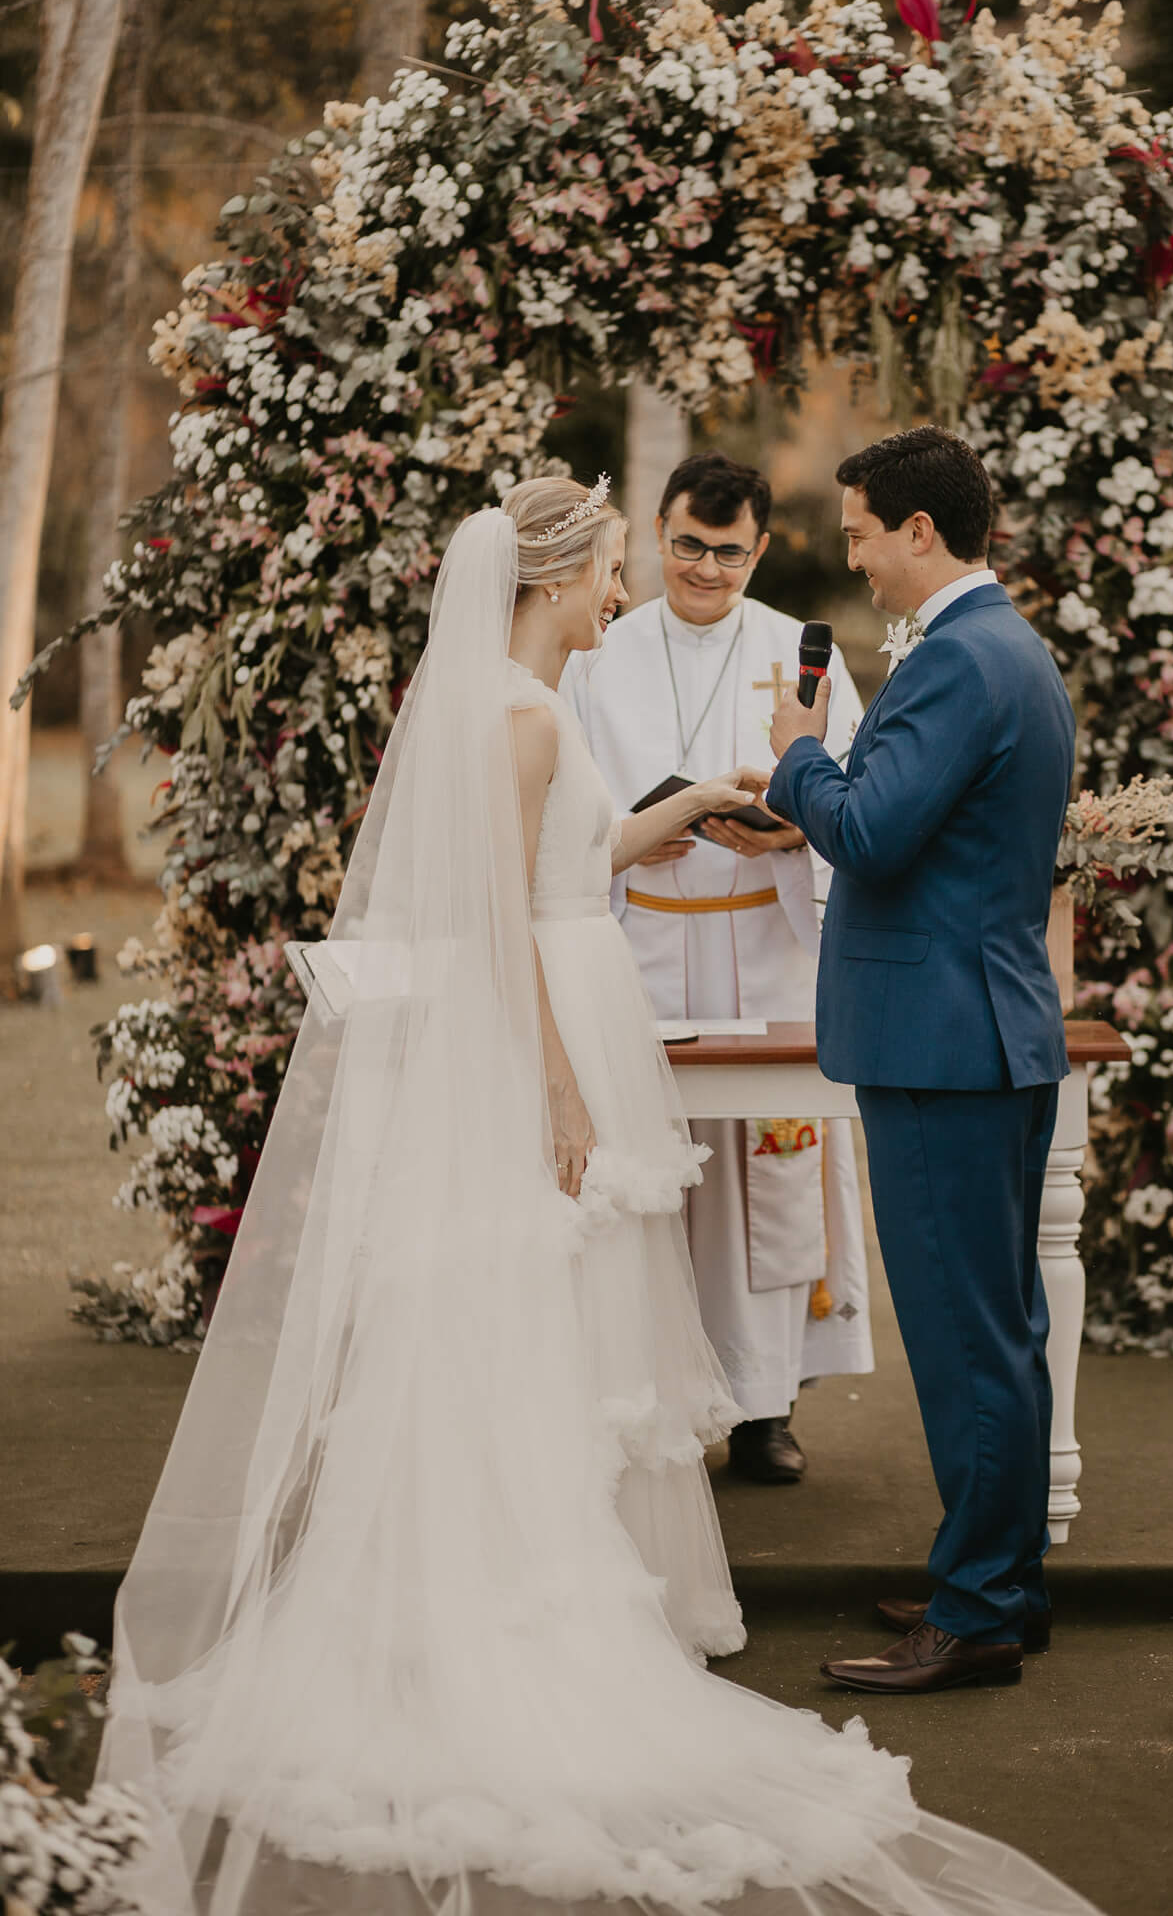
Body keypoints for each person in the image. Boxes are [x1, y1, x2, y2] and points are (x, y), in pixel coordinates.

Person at [97, 475, 1101, 1916]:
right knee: (524, 1315)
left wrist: (690, 804)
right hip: (548, 1027)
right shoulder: (517, 712)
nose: (631, 588)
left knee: (578, 1323)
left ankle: (934, 1592)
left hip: (633, 1001)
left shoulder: (536, 705)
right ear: (557, 572)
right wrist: (560, 1079)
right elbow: (503, 908)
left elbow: (574, 857)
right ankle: (516, 1603)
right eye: (620, 564)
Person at [767, 428, 1075, 1696]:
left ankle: (978, 1609)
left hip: (947, 1041)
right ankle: (996, 1576)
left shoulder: (959, 659)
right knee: (996, 1324)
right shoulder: (1005, 649)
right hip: (981, 1025)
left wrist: (797, 753)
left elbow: (873, 835)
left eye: (858, 533)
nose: (852, 555)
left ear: (919, 533)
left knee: (963, 1334)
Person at [563, 452, 873, 1486]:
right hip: (642, 939)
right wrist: (619, 837)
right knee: (653, 1179)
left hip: (762, 943)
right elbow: (555, 795)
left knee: (768, 1178)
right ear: (657, 532)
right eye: (688, 544)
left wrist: (794, 837)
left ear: (761, 547)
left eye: (728, 551)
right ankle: (644, 1398)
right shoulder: (597, 653)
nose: (705, 567)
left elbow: (862, 801)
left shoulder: (801, 653)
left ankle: (764, 1406)